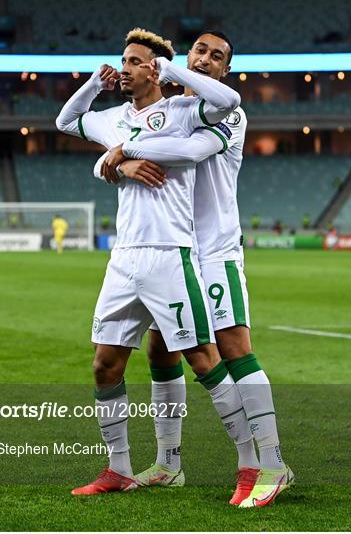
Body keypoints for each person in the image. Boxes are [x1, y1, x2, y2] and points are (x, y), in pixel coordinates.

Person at [98, 30, 293, 508]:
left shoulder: (229, 112)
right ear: (188, 55)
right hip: (173, 251)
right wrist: (117, 160)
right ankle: (168, 463)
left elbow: (187, 153)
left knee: (231, 346)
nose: (205, 60)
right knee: (160, 349)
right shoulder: (168, 113)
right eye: (199, 51)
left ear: (225, 70)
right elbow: (116, 146)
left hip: (215, 251)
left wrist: (126, 151)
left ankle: (272, 463)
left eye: (216, 57)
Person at [56, 28, 248, 497]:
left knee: (204, 360)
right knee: (105, 364)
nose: (126, 68)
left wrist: (130, 148)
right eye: (123, 60)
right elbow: (66, 122)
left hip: (171, 254)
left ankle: (250, 461)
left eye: (135, 61)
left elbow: (228, 100)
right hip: (124, 258)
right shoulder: (114, 119)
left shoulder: (183, 111)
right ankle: (118, 468)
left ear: (155, 69)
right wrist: (94, 91)